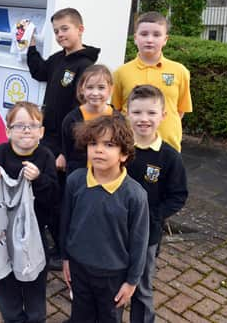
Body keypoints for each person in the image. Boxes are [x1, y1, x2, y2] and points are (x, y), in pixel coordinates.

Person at [27, 7, 100, 269]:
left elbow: (81, 113)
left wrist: (65, 153)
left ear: (80, 29)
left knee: (59, 201)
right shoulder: (58, 59)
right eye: (56, 31)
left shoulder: (86, 65)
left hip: (64, 146)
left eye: (65, 29)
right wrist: (31, 46)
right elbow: (39, 72)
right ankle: (48, 245)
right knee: (44, 194)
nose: (60, 35)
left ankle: (62, 251)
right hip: (47, 140)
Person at [60, 115, 149, 323]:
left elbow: (139, 242)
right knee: (80, 316)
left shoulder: (135, 195)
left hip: (113, 276)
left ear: (124, 154)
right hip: (79, 268)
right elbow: (66, 222)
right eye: (93, 143)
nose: (99, 150)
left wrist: (132, 281)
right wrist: (65, 257)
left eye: (109, 144)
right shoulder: (75, 181)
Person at [0, 102, 57, 323]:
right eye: (19, 125)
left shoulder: (45, 156)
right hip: (2, 234)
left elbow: (53, 198)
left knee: (33, 286)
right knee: (5, 285)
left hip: (34, 236)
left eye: (32, 125)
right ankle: (13, 318)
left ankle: (34, 318)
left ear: (41, 131)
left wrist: (39, 179)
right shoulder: (0, 153)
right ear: (8, 130)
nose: (26, 130)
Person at [126, 85, 188, 323]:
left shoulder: (169, 157)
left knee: (141, 287)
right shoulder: (118, 148)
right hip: (114, 230)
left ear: (163, 116)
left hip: (147, 235)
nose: (144, 119)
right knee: (113, 283)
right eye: (137, 112)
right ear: (127, 113)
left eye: (151, 113)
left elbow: (178, 195)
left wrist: (153, 216)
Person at [112, 11, 192, 152]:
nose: (149, 39)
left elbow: (180, 110)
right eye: (144, 34)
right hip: (130, 146)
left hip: (168, 145)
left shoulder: (180, 71)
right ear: (135, 38)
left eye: (156, 35)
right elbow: (116, 111)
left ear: (165, 39)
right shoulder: (121, 73)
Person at [61, 64, 118, 175]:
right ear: (82, 89)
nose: (95, 93)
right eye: (90, 87)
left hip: (110, 178)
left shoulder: (117, 119)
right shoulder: (72, 120)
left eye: (101, 87)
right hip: (80, 180)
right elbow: (68, 154)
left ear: (111, 89)